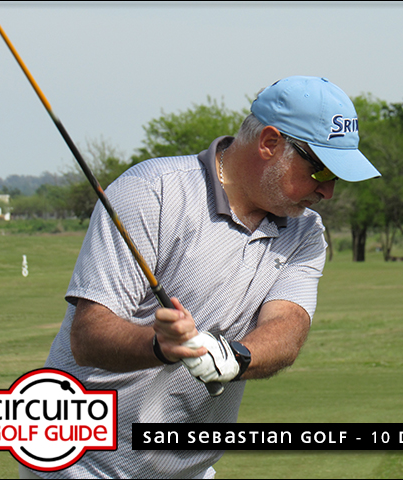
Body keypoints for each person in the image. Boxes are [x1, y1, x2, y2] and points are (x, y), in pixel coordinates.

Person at [24, 76, 380, 479]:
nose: (329, 192)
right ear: (269, 143)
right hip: (83, 465)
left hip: (189, 469)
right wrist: (160, 346)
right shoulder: (153, 191)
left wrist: (235, 357)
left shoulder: (305, 231)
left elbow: (287, 325)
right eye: (321, 171)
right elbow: (88, 337)